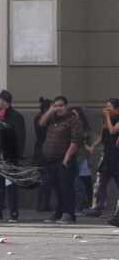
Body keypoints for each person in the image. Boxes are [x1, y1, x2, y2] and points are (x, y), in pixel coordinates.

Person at [39, 96, 83, 224]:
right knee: (56, 188)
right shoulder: (52, 119)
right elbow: (41, 123)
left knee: (66, 188)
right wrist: (49, 111)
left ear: (66, 106)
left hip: (64, 160)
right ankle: (59, 212)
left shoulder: (73, 120)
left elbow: (75, 141)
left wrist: (66, 158)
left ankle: (68, 213)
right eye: (56, 105)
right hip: (50, 160)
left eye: (61, 105)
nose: (59, 108)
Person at [0, 89, 25, 222]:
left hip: (10, 157)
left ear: (5, 102)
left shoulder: (16, 117)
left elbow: (20, 138)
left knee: (11, 186)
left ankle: (13, 213)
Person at [84, 98, 119, 221]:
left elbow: (113, 130)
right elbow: (103, 134)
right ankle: (98, 207)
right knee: (101, 182)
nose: (106, 110)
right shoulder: (107, 119)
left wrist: (108, 117)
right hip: (107, 154)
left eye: (109, 107)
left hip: (116, 155)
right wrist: (94, 145)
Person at [70, 106, 94, 214]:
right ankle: (81, 206)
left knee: (81, 184)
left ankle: (82, 206)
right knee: (77, 184)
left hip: (81, 158)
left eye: (74, 114)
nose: (72, 117)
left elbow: (88, 143)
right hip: (72, 157)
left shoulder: (83, 129)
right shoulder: (69, 126)